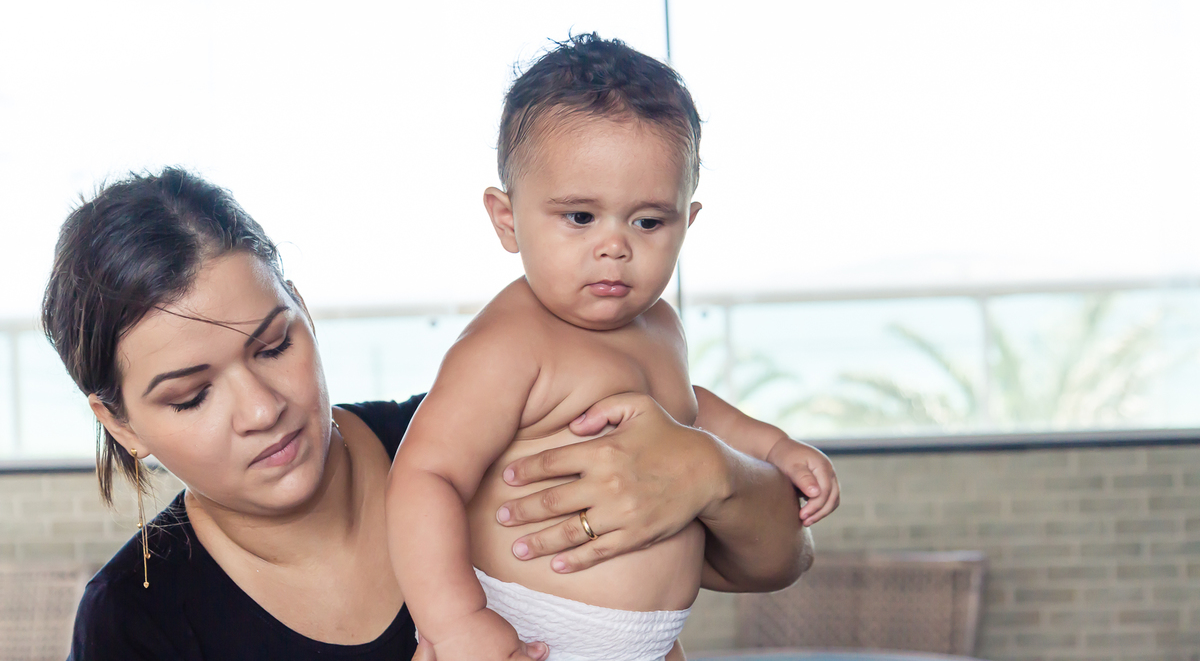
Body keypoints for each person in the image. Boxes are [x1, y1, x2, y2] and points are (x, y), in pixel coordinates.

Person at [43, 167, 818, 660]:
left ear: (304, 311)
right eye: (192, 395)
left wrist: (713, 470)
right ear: (122, 425)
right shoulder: (133, 625)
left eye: (275, 346)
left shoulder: (470, 445)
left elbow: (779, 560)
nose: (261, 408)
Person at [388, 35, 837, 661]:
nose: (615, 247)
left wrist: (771, 446)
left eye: (648, 221)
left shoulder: (659, 324)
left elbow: (688, 410)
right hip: (529, 637)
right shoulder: (509, 343)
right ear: (507, 219)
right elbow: (424, 477)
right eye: (579, 217)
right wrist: (456, 624)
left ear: (687, 221)